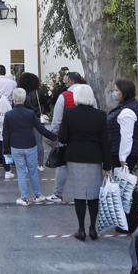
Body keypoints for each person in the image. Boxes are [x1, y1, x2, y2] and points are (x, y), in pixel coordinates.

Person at [59, 84, 111, 239]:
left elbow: (62, 137)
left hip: (75, 157)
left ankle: (81, 228)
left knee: (79, 194)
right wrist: (107, 165)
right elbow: (105, 141)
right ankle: (93, 228)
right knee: (94, 195)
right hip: (95, 158)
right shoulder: (100, 115)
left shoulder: (69, 114)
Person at [2, 87, 57, 207]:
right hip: (31, 146)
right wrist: (55, 137)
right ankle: (38, 195)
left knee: (21, 172)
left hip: (16, 146)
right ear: (24, 99)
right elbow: (41, 129)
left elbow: (5, 134)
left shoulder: (9, 115)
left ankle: (24, 198)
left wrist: (5, 149)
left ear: (14, 99)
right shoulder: (30, 114)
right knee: (33, 171)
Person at [45, 71, 92, 203]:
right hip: (87, 137)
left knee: (62, 165)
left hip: (67, 137)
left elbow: (57, 120)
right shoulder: (90, 94)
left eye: (65, 81)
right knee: (85, 166)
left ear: (70, 81)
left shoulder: (64, 96)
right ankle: (86, 194)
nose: (65, 84)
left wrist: (54, 135)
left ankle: (58, 194)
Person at [17, 72, 46, 169]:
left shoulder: (21, 92)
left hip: (24, 119)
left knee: (25, 143)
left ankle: (26, 163)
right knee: (39, 143)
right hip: (38, 118)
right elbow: (45, 105)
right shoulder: (39, 92)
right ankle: (40, 164)